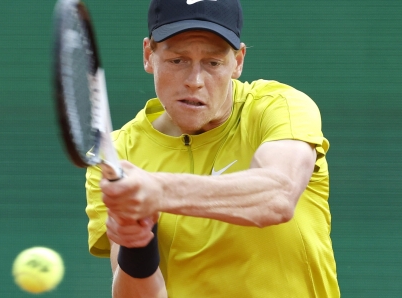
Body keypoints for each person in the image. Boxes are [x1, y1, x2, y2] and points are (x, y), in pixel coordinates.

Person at [85, 0, 340, 297]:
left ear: (238, 61)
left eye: (213, 63)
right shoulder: (118, 153)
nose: (195, 81)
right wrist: (136, 244)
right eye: (177, 60)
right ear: (148, 55)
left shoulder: (280, 107)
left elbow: (278, 196)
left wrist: (159, 191)